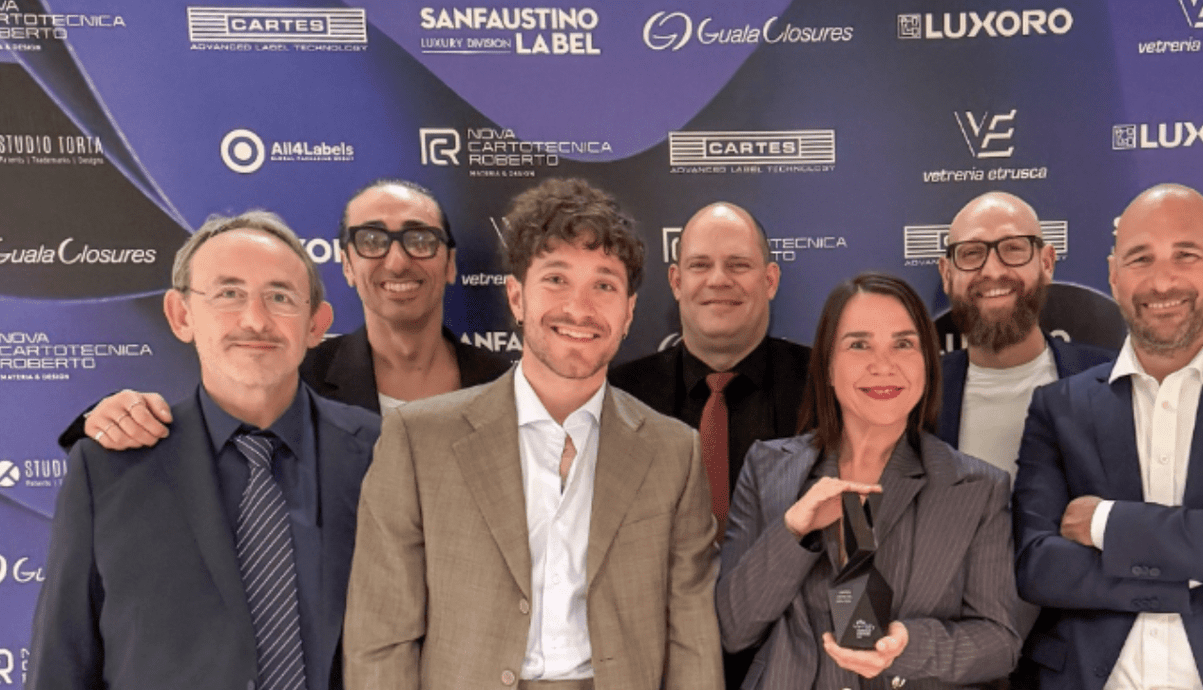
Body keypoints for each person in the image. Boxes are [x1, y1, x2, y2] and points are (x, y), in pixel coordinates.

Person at [343, 178, 722, 689]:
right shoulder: (418, 440)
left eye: (604, 285)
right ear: (517, 297)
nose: (579, 308)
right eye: (557, 279)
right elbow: (381, 638)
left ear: (629, 312)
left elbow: (692, 638)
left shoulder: (673, 451)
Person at [28, 211, 382, 690]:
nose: (255, 320)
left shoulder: (385, 453)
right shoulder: (106, 468)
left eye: (280, 297)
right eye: (228, 294)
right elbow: (61, 664)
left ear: (316, 325)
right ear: (181, 315)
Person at [1013, 184, 1203, 690]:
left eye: (1186, 255)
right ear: (1114, 276)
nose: (1162, 281)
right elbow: (1040, 567)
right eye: (1141, 258)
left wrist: (1106, 523)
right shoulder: (1058, 408)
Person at [718, 272, 1020, 689]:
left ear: (927, 363)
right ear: (828, 366)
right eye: (859, 345)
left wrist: (909, 646)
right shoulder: (767, 467)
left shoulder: (978, 488)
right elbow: (732, 629)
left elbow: (1000, 644)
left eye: (903, 344)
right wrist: (793, 532)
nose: (883, 365)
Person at [64, 178, 510, 448]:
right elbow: (194, 432)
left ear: (450, 263)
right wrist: (104, 420)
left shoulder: (509, 386)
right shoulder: (291, 373)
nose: (397, 261)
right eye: (372, 241)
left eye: (420, 240)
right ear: (346, 265)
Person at [609, 201, 810, 508]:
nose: (718, 280)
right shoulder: (619, 397)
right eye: (700, 265)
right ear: (677, 282)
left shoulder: (824, 387)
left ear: (770, 281)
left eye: (738, 265)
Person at [934, 190, 1111, 477]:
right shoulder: (918, 395)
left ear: (1046, 263)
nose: (992, 271)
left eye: (1013, 248)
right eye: (971, 253)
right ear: (947, 274)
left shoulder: (1114, 384)